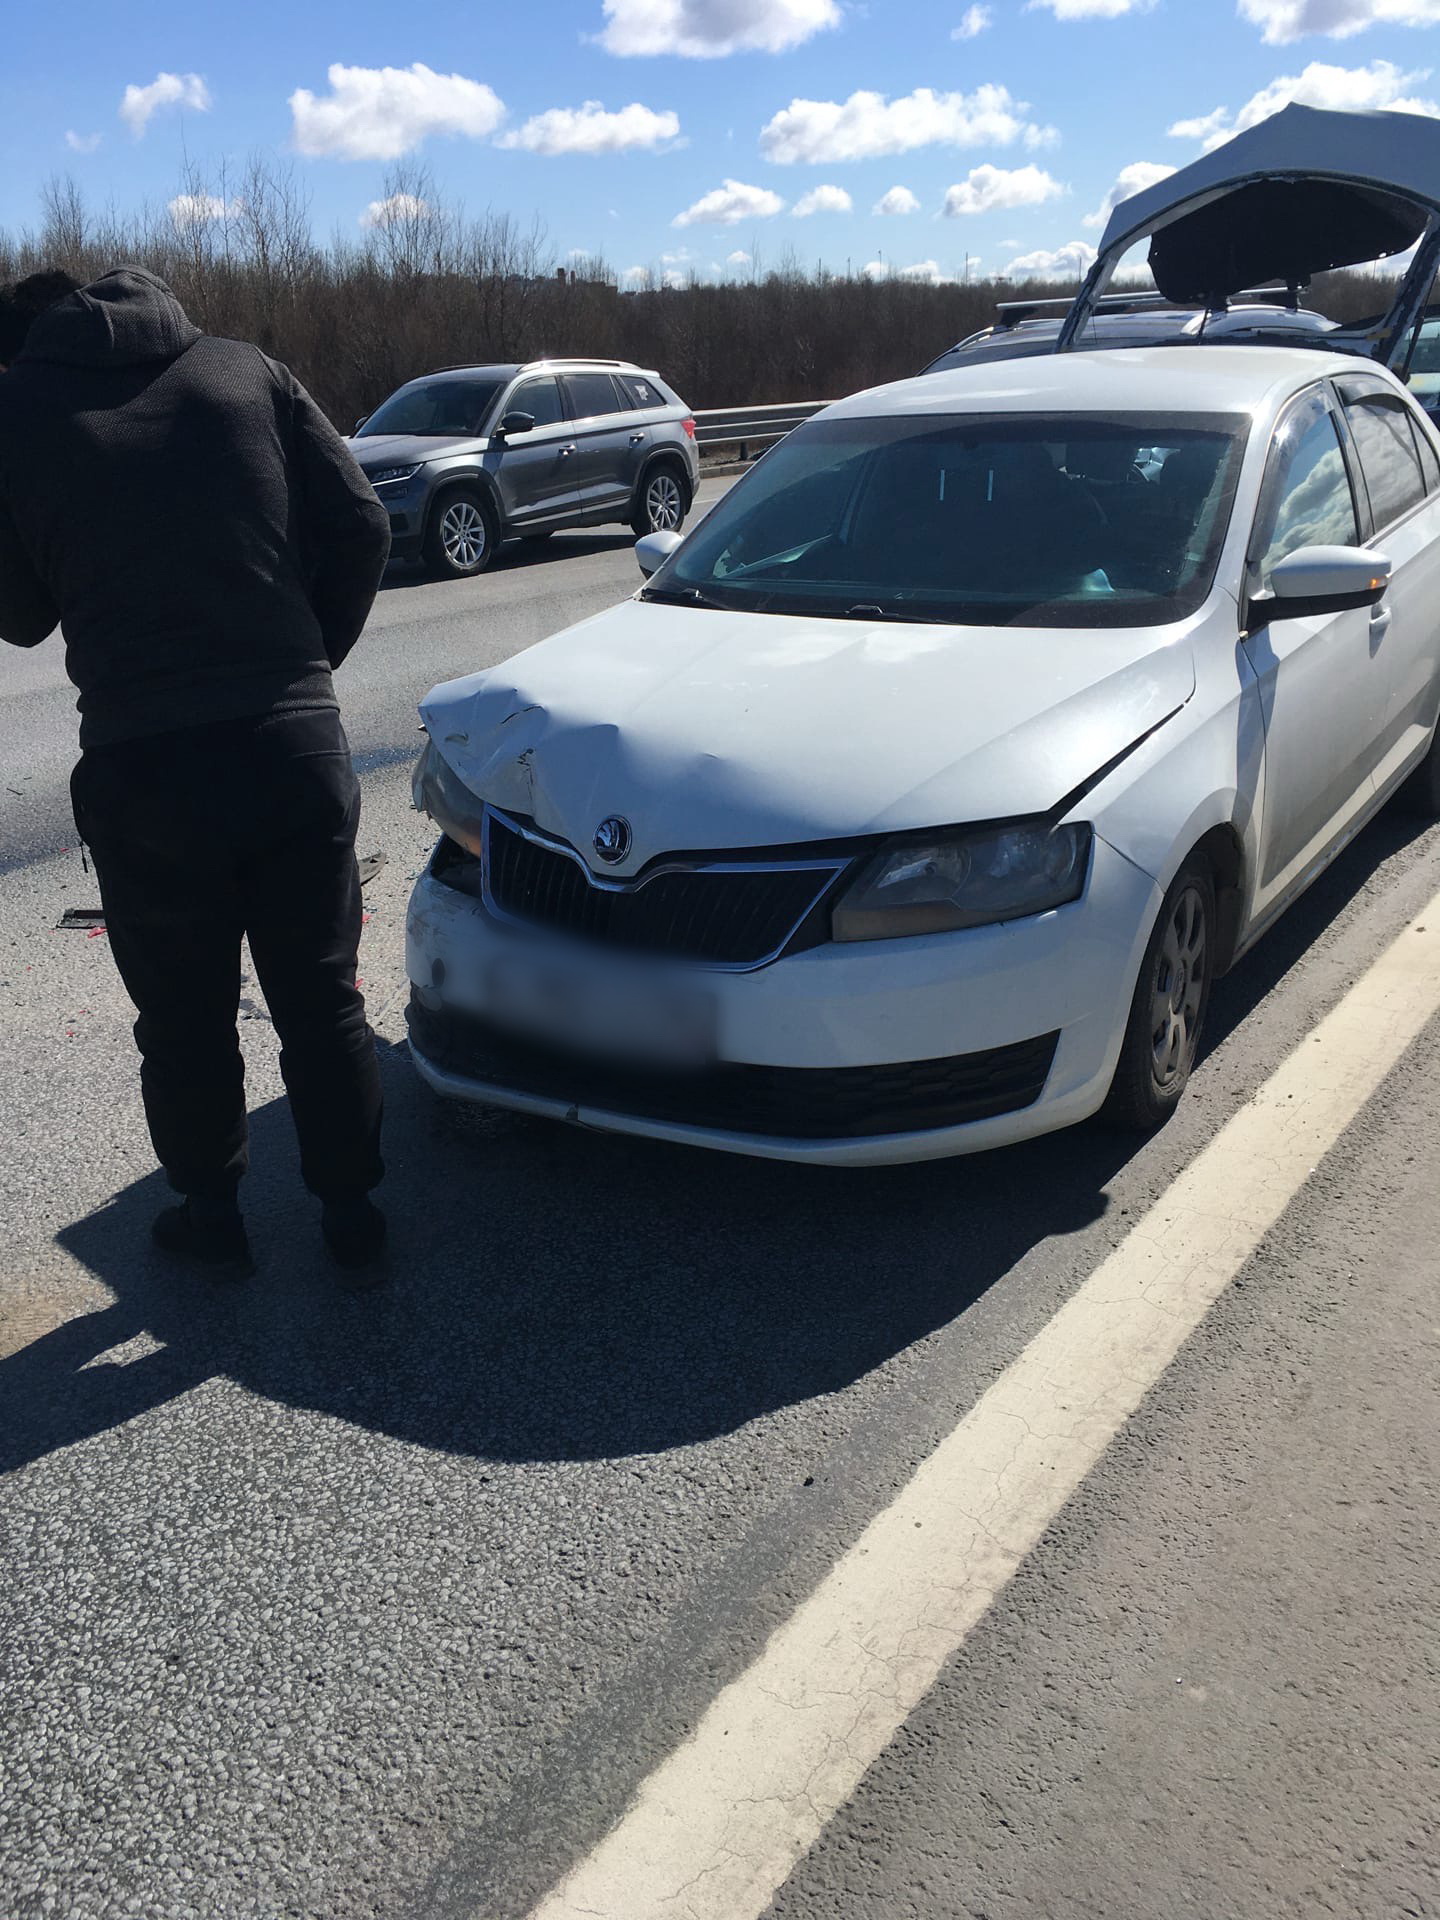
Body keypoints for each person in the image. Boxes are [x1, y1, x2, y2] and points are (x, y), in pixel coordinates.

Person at [0, 266, 392, 1279]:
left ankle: (212, 1218)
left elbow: (19, 611)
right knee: (324, 1002)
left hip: (146, 762)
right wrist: (303, 671)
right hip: (292, 744)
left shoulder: (16, 409)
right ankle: (353, 1218)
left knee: (182, 1016)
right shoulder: (246, 370)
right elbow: (363, 524)